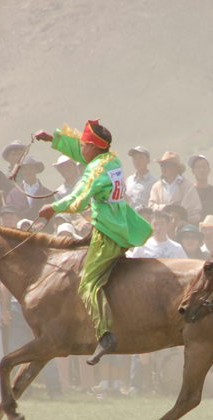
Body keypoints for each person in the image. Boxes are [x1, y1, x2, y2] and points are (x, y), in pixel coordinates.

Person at [35, 119, 152, 364]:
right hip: (121, 227)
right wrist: (53, 139)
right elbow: (81, 151)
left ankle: (104, 334)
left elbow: (78, 198)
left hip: (107, 232)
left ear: (94, 148)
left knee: (87, 283)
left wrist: (53, 208)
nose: (81, 148)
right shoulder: (112, 160)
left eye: (84, 144)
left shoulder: (96, 171)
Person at [148, 152, 202, 223]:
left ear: (176, 167)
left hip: (182, 229)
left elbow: (193, 211)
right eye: (162, 165)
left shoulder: (187, 185)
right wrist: (166, 208)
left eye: (168, 165)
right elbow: (151, 207)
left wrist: (179, 218)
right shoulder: (156, 187)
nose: (164, 168)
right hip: (161, 229)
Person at [4, 155, 54, 221]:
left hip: (41, 230)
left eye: (31, 168)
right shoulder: (13, 194)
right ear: (21, 171)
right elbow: (8, 215)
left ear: (37, 170)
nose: (28, 172)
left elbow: (53, 216)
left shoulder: (47, 194)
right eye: (25, 169)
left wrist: (42, 224)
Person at [189, 155, 213, 220]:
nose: (201, 170)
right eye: (198, 167)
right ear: (193, 171)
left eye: (204, 167)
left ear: (209, 170)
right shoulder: (188, 193)